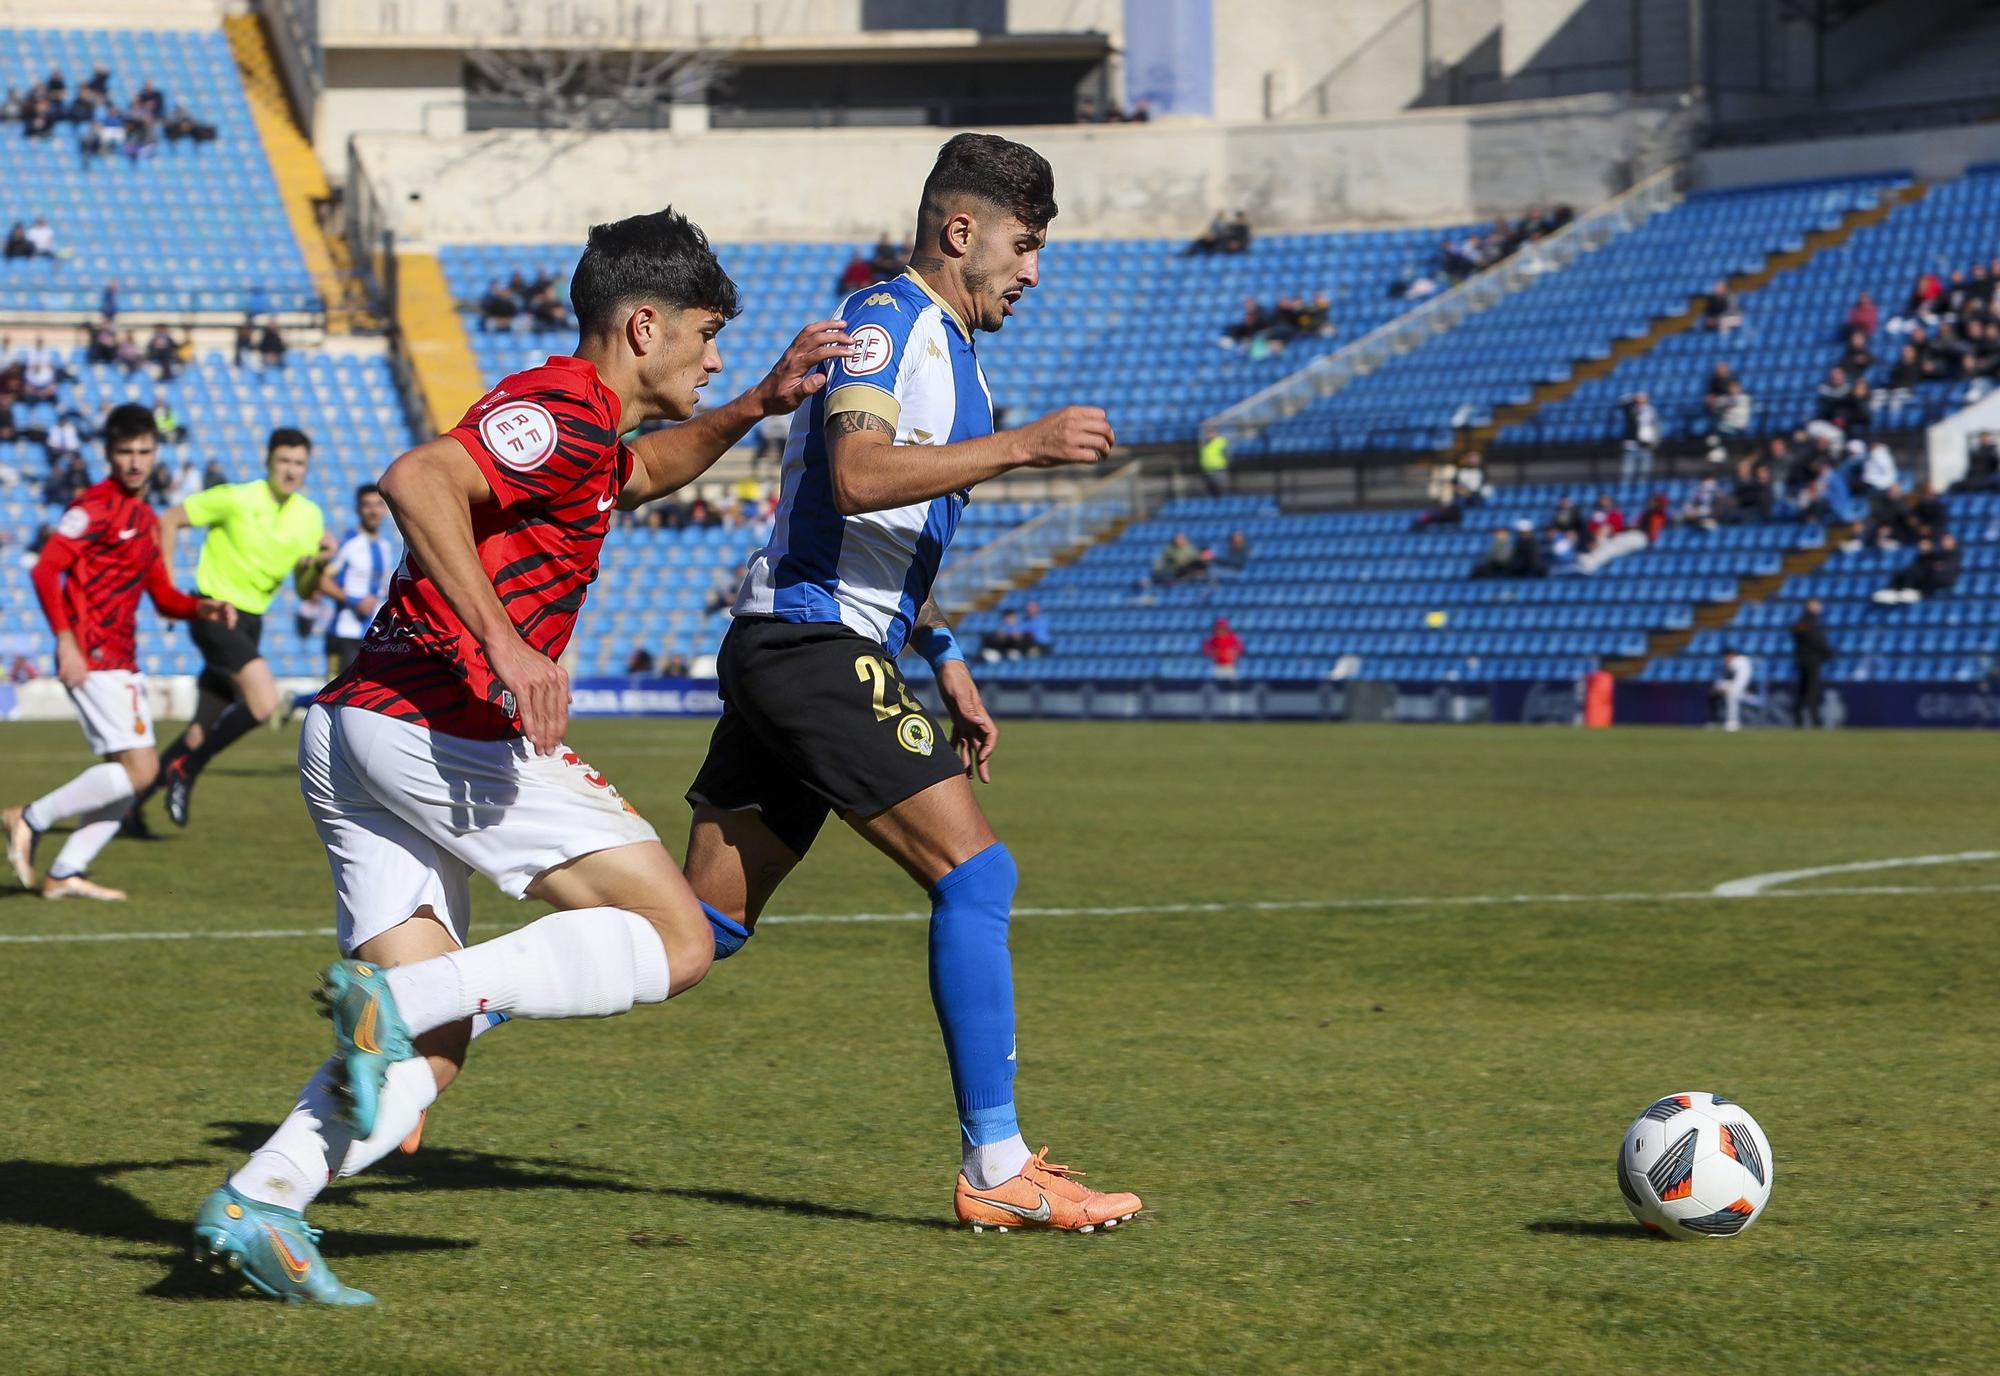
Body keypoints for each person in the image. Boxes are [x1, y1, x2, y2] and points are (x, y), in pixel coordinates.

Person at [189, 207, 855, 1304]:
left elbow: (635, 478)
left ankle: (262, 1199)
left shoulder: (595, 440)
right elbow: (416, 479)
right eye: (708, 334)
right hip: (434, 722)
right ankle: (394, 1003)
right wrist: (506, 644)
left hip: (356, 729)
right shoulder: (560, 404)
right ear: (644, 325)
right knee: (677, 935)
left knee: (431, 1050)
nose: (717, 353)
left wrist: (750, 407)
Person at [679, 134, 1139, 1237]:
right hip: (811, 642)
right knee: (977, 876)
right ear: (960, 231)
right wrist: (1023, 446)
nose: (1033, 273)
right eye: (1024, 248)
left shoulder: (947, 348)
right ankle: (996, 1162)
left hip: (813, 644)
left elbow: (885, 531)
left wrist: (946, 660)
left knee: (695, 930)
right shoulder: (887, 320)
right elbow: (854, 474)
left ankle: (433, 1001)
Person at [4, 405, 234, 900]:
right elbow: (45, 570)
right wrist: (66, 640)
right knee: (142, 771)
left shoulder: (146, 520)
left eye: (144, 452)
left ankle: (66, 872)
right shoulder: (93, 508)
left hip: (121, 658)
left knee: (126, 778)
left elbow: (163, 596)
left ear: (155, 453)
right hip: (93, 655)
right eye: (125, 452)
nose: (135, 462)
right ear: (108, 454)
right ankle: (29, 817)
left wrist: (203, 607)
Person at [130, 429, 330, 833]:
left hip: (252, 623)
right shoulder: (237, 497)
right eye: (284, 462)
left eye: (299, 464)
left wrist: (320, 564)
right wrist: (167, 591)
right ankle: (188, 769)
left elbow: (305, 590)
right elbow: (169, 520)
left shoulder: (310, 516)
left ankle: (128, 806)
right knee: (263, 704)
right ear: (269, 461)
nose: (291, 471)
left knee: (200, 729)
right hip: (214, 613)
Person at [321, 483, 396, 676]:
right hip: (345, 633)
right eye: (367, 505)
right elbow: (322, 581)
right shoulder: (348, 543)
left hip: (373, 636)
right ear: (358, 509)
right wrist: (355, 602)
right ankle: (296, 701)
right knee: (338, 693)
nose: (373, 511)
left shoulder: (385, 546)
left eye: (378, 504)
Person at [1874, 533, 1961, 604]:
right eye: (1944, 540)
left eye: (1948, 540)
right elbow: (1925, 563)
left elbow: (1945, 568)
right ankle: (1893, 590)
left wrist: (1937, 565)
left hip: (1939, 580)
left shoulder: (1955, 554)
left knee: (1919, 572)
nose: (1945, 542)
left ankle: (1912, 590)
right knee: (1905, 571)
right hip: (1928, 576)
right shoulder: (1938, 553)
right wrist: (1926, 553)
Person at [1790, 599, 1834, 728]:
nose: (1819, 607)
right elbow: (1816, 641)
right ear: (1809, 606)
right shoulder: (1808, 623)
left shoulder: (1803, 623)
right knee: (1811, 691)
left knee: (1804, 691)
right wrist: (1827, 653)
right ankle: (1814, 720)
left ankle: (1799, 719)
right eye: (1816, 605)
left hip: (1804, 659)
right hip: (1812, 661)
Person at [1710, 648, 1753, 732]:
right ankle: (1726, 721)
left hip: (1741, 688)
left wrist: (1727, 687)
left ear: (1731, 655)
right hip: (1741, 688)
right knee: (1717, 691)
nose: (1725, 659)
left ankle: (1733, 722)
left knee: (1732, 695)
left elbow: (1741, 681)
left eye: (1726, 657)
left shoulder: (1738, 662)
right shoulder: (1743, 661)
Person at [1619, 392, 1658, 482]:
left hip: (1646, 444)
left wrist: (1655, 441)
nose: (1641, 400)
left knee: (1644, 472)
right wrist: (1633, 397)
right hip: (1631, 444)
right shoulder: (1631, 409)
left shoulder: (1650, 411)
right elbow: (1622, 402)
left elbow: (1655, 427)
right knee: (1628, 471)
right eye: (1639, 398)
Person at [1198, 425, 1230, 495]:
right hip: (1207, 471)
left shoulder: (1221, 441)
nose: (1209, 434)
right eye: (1208, 433)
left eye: (1211, 432)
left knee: (1222, 490)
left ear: (1216, 432)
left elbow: (1228, 455)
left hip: (1219, 469)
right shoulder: (1206, 443)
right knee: (1211, 492)